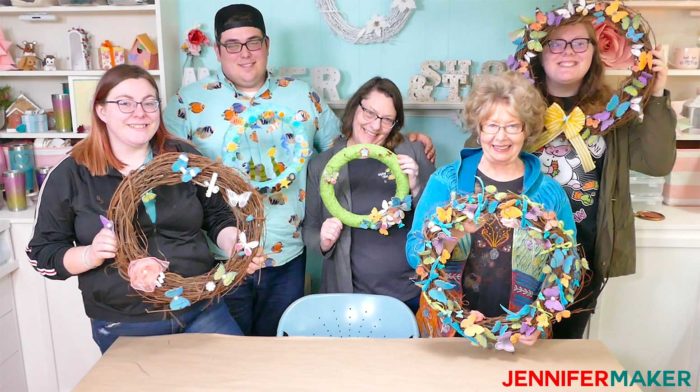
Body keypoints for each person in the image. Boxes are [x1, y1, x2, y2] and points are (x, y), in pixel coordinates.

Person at [164, 3, 434, 336]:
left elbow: (350, 149)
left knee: (281, 359)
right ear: (218, 50)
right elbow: (169, 176)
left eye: (253, 42)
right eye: (232, 44)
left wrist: (403, 140)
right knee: (226, 361)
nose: (244, 53)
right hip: (220, 256)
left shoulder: (304, 97)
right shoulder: (184, 104)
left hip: (287, 257)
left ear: (267, 45)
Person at [466, 15, 676, 338]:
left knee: (561, 353)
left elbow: (658, 162)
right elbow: (475, 159)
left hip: (583, 260)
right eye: (556, 43)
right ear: (539, 51)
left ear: (594, 51)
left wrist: (658, 94)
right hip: (515, 257)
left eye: (580, 42)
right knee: (508, 347)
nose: (568, 52)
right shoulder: (514, 107)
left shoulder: (614, 110)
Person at [26, 64, 255, 353]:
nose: (140, 112)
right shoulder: (71, 174)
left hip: (201, 309)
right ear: (101, 111)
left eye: (149, 102)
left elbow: (218, 215)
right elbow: (43, 254)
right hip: (125, 323)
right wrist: (90, 254)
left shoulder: (183, 158)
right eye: (124, 103)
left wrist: (233, 242)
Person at [407, 71, 577, 338]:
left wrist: (540, 321)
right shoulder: (447, 182)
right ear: (479, 128)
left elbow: (567, 266)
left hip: (521, 335)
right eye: (492, 125)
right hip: (449, 331)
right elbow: (414, 252)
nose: (501, 137)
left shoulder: (549, 193)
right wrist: (450, 236)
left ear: (527, 129)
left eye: (512, 126)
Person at [303, 77, 434, 313]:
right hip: (350, 296)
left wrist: (415, 187)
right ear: (355, 108)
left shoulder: (413, 153)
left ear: (395, 123)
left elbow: (440, 222)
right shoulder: (323, 165)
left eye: (386, 120)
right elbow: (309, 230)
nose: (375, 126)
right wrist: (323, 240)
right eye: (369, 113)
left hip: (412, 293)